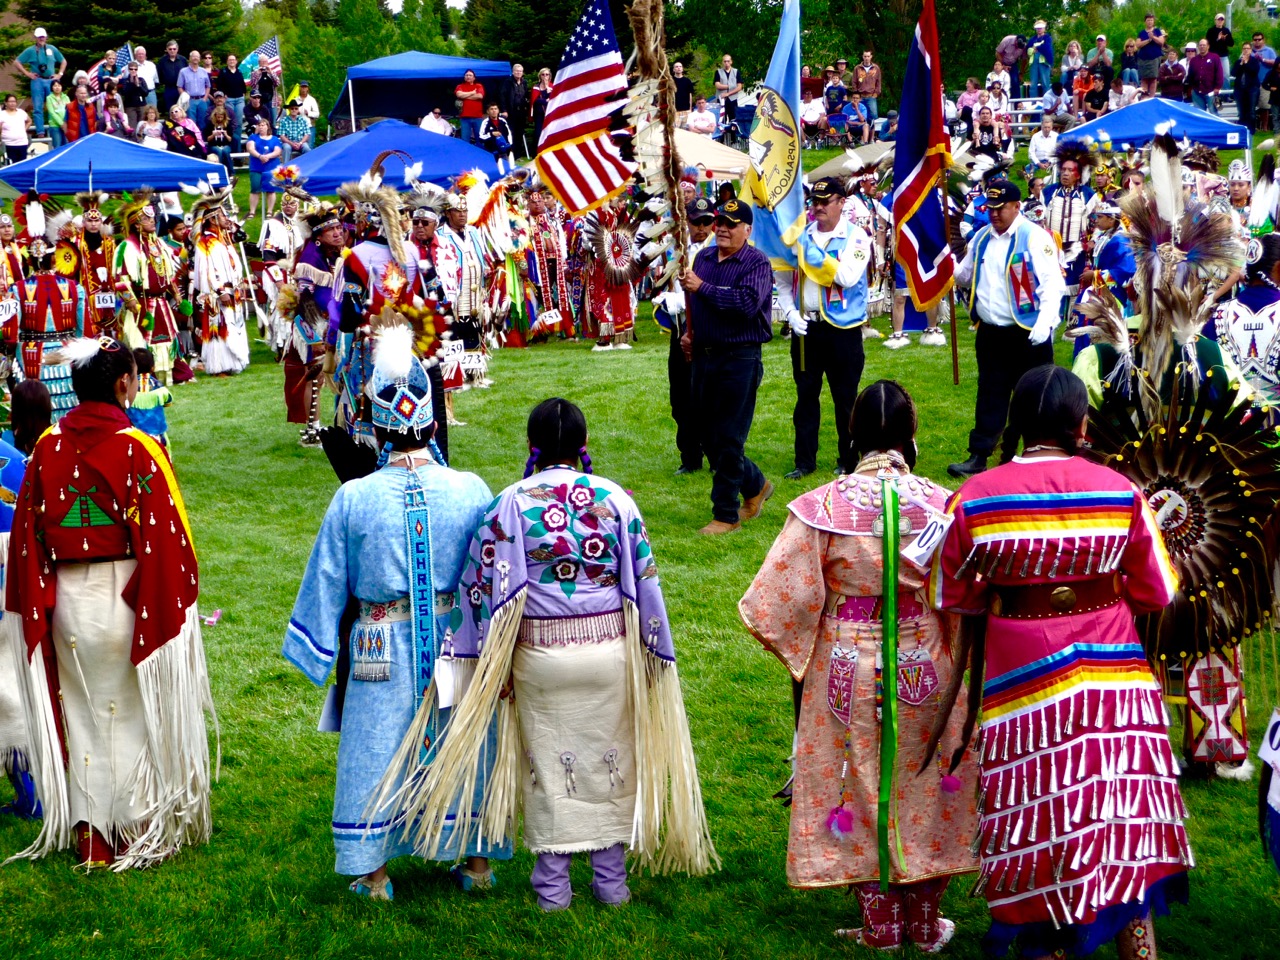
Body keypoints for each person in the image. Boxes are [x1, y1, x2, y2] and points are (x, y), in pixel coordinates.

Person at [384, 396, 716, 909]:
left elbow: (480, 586)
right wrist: (655, 654)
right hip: (610, 655)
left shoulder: (511, 502)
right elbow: (646, 584)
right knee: (614, 763)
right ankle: (611, 885)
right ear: (583, 446)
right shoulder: (616, 501)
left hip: (540, 658)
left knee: (546, 765)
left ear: (531, 446)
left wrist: (476, 659)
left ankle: (553, 891)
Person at [931, 364, 1189, 960]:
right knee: (1118, 806)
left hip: (1021, 678)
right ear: (1081, 423)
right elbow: (1156, 591)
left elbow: (955, 596)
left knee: (1038, 809)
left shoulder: (973, 497)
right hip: (1113, 677)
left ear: (1018, 422)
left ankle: (1043, 939)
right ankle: (1135, 942)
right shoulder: (1121, 492)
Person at [740, 380, 978, 951]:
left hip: (845, 663)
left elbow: (778, 600)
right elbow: (962, 594)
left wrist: (807, 651)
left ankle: (881, 924)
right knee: (925, 780)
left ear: (853, 434)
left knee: (855, 781)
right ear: (911, 434)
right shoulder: (944, 504)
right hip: (924, 660)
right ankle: (923, 923)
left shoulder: (822, 507)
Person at [284, 319, 510, 900]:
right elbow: (491, 573)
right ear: (431, 418)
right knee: (465, 735)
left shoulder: (353, 496)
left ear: (375, 424)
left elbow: (327, 581)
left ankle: (375, 872)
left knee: (374, 744)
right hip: (454, 643)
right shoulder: (470, 489)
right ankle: (477, 863)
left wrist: (314, 648)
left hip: (379, 640)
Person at [6, 336, 215, 870]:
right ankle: (138, 828)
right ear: (124, 383)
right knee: (132, 712)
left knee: (82, 714)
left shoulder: (47, 447)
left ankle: (93, 838)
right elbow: (168, 541)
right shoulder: (139, 448)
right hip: (126, 597)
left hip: (68, 603)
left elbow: (28, 540)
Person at [948, 181, 1065, 478]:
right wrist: (946, 265)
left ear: (1017, 206)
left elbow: (1053, 283)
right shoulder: (982, 238)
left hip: (1027, 331)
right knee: (990, 392)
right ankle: (980, 454)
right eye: (991, 209)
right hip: (991, 332)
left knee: (1035, 396)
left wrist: (1045, 322)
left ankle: (1041, 454)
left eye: (1001, 208)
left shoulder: (1035, 237)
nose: (995, 214)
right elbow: (965, 276)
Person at [679, 198, 774, 535]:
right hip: (704, 355)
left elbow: (746, 304)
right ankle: (757, 484)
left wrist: (703, 287)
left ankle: (725, 513)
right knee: (707, 436)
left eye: (731, 224)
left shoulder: (756, 263)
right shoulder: (703, 257)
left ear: (747, 230)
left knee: (729, 436)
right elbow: (697, 302)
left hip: (740, 357)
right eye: (720, 221)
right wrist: (691, 334)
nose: (721, 228)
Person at [774, 177, 872, 480]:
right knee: (805, 398)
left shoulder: (857, 238)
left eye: (824, 202)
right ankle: (804, 461)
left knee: (845, 400)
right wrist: (790, 313)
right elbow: (784, 280)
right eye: (814, 202)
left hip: (843, 330)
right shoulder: (801, 236)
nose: (817, 208)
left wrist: (807, 248)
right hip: (807, 328)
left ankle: (848, 459)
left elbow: (845, 276)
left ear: (842, 202)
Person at [654, 197, 715, 474]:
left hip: (709, 332)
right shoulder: (677, 249)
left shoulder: (718, 249)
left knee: (710, 398)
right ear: (686, 222)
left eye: (707, 222)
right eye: (696, 222)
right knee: (680, 398)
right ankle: (690, 456)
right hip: (680, 330)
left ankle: (716, 455)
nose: (702, 228)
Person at [284, 202, 344, 444]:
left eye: (339, 228)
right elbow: (305, 299)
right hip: (311, 323)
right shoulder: (310, 257)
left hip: (332, 322)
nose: (338, 233)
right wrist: (316, 335)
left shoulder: (336, 254)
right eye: (331, 230)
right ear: (319, 236)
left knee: (332, 375)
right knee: (314, 375)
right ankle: (313, 430)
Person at [115, 189, 182, 385]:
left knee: (166, 341)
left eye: (152, 218)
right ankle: (143, 377)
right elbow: (121, 280)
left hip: (161, 304)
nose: (152, 221)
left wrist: (175, 292)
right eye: (146, 219)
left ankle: (165, 376)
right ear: (136, 224)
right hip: (141, 304)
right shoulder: (127, 247)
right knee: (141, 342)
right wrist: (133, 305)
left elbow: (166, 273)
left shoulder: (159, 245)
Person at [191, 187, 250, 376]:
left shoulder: (224, 240)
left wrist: (240, 285)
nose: (227, 219)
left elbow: (240, 243)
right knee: (219, 328)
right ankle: (218, 366)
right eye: (223, 216)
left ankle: (232, 363)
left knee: (233, 325)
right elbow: (206, 270)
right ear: (213, 219)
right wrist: (219, 291)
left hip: (233, 291)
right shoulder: (206, 243)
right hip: (219, 294)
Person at [1044, 151, 1095, 299]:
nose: (1065, 174)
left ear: (1078, 174)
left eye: (1070, 170)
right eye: (1063, 170)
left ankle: (1072, 317)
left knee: (1074, 285)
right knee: (1051, 283)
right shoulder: (1048, 192)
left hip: (1076, 249)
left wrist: (1093, 240)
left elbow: (1096, 220)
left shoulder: (1088, 194)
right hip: (1051, 247)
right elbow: (1040, 220)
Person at [16, 28, 64, 138]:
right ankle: (40, 131)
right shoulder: (30, 50)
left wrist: (59, 74)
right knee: (38, 107)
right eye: (39, 37)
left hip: (51, 80)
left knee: (55, 105)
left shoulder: (52, 49)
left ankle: (56, 127)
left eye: (43, 36)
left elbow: (63, 61)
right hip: (37, 80)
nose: (41, 38)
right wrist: (27, 73)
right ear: (35, 38)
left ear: (46, 37)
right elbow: (17, 62)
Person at [127, 347, 173, 447]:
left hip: (134, 436)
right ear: (153, 367)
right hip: (157, 435)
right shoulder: (159, 388)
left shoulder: (126, 388)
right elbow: (168, 401)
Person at [247, 117, 282, 220]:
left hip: (271, 167)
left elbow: (278, 151)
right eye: (259, 125)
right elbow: (250, 148)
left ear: (268, 127)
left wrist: (267, 156)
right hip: (256, 167)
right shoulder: (253, 137)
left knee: (271, 189)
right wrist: (259, 156)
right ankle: (252, 211)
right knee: (255, 188)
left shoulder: (274, 139)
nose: (261, 127)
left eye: (263, 125)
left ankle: (269, 211)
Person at [214, 54, 246, 151]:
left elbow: (242, 85)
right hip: (229, 100)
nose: (232, 61)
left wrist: (244, 93)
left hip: (240, 99)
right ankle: (230, 146)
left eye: (233, 60)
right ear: (227, 61)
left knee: (239, 123)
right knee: (230, 122)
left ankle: (238, 147)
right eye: (230, 60)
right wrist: (224, 95)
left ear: (236, 61)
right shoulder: (223, 72)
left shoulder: (239, 72)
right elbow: (219, 85)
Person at [497, 63, 529, 157]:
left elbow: (526, 95)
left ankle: (518, 155)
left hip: (521, 112)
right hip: (510, 112)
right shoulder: (507, 82)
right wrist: (504, 110)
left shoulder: (524, 82)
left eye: (520, 71)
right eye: (517, 71)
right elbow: (502, 96)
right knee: (511, 133)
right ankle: (510, 153)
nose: (518, 73)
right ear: (513, 71)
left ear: (522, 72)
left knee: (520, 132)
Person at [1188, 38, 1225, 114]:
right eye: (1200, 45)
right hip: (1197, 92)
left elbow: (1219, 72)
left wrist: (1218, 87)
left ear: (1208, 46)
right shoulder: (1194, 60)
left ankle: (1215, 126)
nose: (1202, 47)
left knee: (1213, 113)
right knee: (1200, 115)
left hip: (1211, 91)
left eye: (1204, 45)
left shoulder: (1215, 57)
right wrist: (1192, 87)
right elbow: (1190, 74)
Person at [1135, 12, 1167, 97]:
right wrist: (1148, 40)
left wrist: (1153, 37)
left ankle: (1152, 97)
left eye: (1151, 20)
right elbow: (1138, 44)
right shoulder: (1141, 33)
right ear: (1145, 21)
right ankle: (1144, 97)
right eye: (1148, 20)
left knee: (1153, 79)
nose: (1150, 22)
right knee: (1144, 79)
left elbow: (1161, 42)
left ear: (1153, 21)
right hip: (1143, 58)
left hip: (1154, 58)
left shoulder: (1157, 31)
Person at [177, 50, 211, 130]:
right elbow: (179, 87)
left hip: (202, 101)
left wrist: (205, 98)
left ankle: (202, 141)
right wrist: (185, 98)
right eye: (193, 56)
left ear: (199, 59)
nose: (195, 58)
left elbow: (208, 86)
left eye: (197, 56)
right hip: (190, 101)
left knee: (203, 123)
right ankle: (193, 141)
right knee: (191, 123)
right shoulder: (183, 72)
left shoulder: (203, 71)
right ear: (190, 58)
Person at [477, 103, 514, 172]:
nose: (494, 111)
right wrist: (491, 134)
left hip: (503, 150)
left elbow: (509, 134)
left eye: (495, 109)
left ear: (498, 111)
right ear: (488, 111)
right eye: (491, 109)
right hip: (491, 152)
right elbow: (481, 137)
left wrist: (509, 145)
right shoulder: (485, 122)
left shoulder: (503, 121)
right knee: (495, 171)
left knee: (507, 170)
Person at [1235, 42, 1262, 131]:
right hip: (1240, 89)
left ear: (1251, 50)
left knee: (1251, 111)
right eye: (1244, 48)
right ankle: (1243, 129)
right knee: (1241, 112)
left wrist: (1246, 63)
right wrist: (1241, 64)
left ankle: (1251, 130)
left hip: (1252, 88)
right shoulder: (1239, 61)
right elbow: (1233, 73)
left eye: (1248, 48)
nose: (1246, 50)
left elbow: (1254, 72)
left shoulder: (1254, 61)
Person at [852, 50, 881, 134]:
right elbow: (854, 81)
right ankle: (863, 136)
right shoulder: (857, 68)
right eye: (865, 56)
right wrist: (856, 93)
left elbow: (878, 82)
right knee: (861, 116)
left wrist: (876, 94)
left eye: (868, 56)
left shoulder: (876, 68)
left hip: (871, 96)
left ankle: (872, 137)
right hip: (860, 96)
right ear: (862, 57)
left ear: (871, 57)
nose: (866, 58)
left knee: (873, 117)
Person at [455, 69, 485, 144]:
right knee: (465, 140)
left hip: (477, 117)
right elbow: (458, 94)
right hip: (464, 117)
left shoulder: (478, 86)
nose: (468, 76)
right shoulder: (460, 86)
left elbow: (480, 96)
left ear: (474, 78)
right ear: (464, 77)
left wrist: (464, 96)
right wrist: (472, 92)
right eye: (466, 75)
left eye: (470, 75)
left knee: (480, 139)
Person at [203, 103, 235, 175]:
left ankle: (231, 172)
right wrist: (213, 135)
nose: (220, 119)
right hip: (213, 145)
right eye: (218, 117)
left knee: (226, 151)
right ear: (215, 116)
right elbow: (207, 139)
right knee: (218, 151)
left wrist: (226, 135)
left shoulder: (228, 125)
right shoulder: (210, 125)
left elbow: (230, 139)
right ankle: (220, 171)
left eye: (221, 117)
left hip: (225, 145)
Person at [118, 61, 149, 132]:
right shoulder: (125, 81)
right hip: (130, 106)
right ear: (128, 70)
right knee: (132, 124)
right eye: (131, 69)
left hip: (141, 105)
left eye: (135, 69)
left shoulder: (141, 80)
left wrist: (138, 85)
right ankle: (133, 139)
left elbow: (146, 93)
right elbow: (125, 93)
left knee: (142, 124)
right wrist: (132, 83)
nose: (133, 71)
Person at [0, 95, 31, 166]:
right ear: (6, 103)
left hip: (22, 143)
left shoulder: (21, 112)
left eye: (14, 101)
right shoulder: (2, 114)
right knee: (11, 164)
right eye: (10, 101)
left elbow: (29, 121)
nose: (12, 103)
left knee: (22, 164)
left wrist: (24, 129)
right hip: (9, 144)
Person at [715, 53, 744, 128]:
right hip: (721, 100)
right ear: (722, 62)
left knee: (733, 120)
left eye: (728, 61)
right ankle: (721, 139)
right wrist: (731, 86)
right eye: (725, 61)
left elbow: (739, 87)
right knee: (721, 120)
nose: (726, 63)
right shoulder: (718, 72)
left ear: (731, 62)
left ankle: (733, 138)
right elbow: (717, 85)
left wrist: (728, 93)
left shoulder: (736, 71)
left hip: (732, 99)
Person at [1025, 116, 1057, 181]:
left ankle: (1053, 176)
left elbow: (1058, 152)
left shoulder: (1056, 136)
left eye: (1049, 127)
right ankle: (1028, 175)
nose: (1047, 129)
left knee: (1059, 169)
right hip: (1038, 161)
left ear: (1052, 127)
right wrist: (1039, 163)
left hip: (1052, 162)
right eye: (1045, 127)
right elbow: (1031, 153)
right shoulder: (1035, 136)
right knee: (1028, 167)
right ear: (1041, 126)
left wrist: (1049, 162)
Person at [1028, 20, 1054, 98]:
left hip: (1044, 62)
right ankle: (1033, 102)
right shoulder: (1032, 39)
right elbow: (1028, 49)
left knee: (1045, 83)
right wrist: (1034, 49)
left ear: (1044, 28)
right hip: (1034, 62)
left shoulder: (1047, 37)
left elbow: (1047, 48)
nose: (1039, 30)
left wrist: (1036, 47)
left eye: (1041, 28)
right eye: (1037, 28)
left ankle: (1047, 101)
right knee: (1033, 84)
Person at [157, 39, 185, 112]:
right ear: (167, 49)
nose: (172, 50)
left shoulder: (183, 60)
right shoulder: (162, 61)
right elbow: (159, 74)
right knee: (170, 110)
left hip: (181, 89)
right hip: (169, 89)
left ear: (177, 49)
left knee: (182, 110)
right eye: (170, 49)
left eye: (174, 49)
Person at [531, 68, 553, 145]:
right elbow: (535, 100)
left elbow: (552, 100)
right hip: (539, 114)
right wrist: (545, 100)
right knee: (538, 134)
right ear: (540, 76)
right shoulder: (536, 87)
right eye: (543, 74)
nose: (545, 76)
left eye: (547, 74)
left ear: (549, 76)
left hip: (549, 114)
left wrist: (547, 89)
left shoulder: (552, 86)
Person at [296, 81, 320, 148]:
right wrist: (296, 113)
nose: (303, 89)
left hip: (309, 126)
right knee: (299, 146)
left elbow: (317, 114)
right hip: (298, 127)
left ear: (307, 88)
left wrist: (309, 113)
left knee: (309, 146)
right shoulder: (296, 100)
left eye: (305, 87)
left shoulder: (312, 100)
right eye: (302, 87)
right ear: (300, 88)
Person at [672, 61, 696, 126]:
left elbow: (690, 95)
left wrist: (690, 109)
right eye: (676, 67)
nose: (678, 68)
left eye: (680, 66)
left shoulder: (687, 81)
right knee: (676, 131)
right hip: (675, 111)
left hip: (686, 110)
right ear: (673, 69)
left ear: (682, 69)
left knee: (686, 131)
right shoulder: (670, 81)